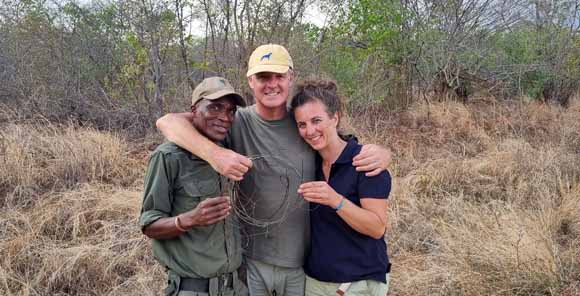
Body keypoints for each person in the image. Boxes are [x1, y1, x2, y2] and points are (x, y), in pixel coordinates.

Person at [156, 44, 392, 296]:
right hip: (252, 261)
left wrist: (383, 152)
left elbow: (339, 146)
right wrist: (216, 155)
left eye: (279, 76)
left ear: (291, 77)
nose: (271, 84)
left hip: (303, 264)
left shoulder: (303, 122)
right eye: (263, 77)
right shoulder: (236, 121)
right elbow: (167, 122)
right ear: (250, 81)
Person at [139, 77, 249, 296]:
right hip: (193, 289)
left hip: (236, 287)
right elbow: (149, 224)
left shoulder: (228, 151)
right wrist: (190, 219)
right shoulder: (168, 157)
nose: (224, 117)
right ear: (194, 110)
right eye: (215, 107)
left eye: (230, 111)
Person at [292, 78, 391, 296]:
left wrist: (335, 200)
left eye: (316, 120)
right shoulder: (310, 163)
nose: (309, 131)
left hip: (358, 284)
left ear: (335, 117)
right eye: (302, 124)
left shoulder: (364, 162)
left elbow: (377, 227)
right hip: (317, 281)